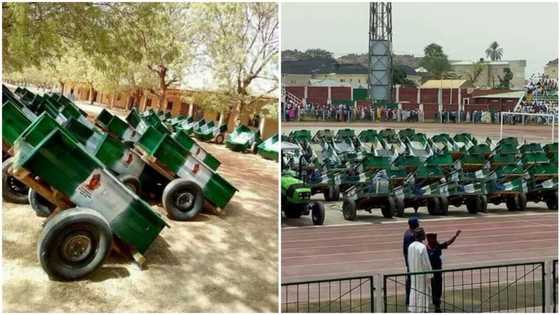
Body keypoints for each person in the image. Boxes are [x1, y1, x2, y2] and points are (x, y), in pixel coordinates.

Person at [426, 230, 461, 313]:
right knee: (434, 288)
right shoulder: (425, 249)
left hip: (438, 271)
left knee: (439, 288)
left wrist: (455, 236)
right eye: (433, 238)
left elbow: (448, 243)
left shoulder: (437, 246)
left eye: (435, 238)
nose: (435, 239)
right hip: (431, 272)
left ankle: (437, 304)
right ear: (429, 239)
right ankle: (435, 304)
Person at [407, 227, 433, 313]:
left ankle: (413, 309)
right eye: (423, 233)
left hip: (413, 273)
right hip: (422, 275)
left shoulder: (410, 246)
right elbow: (426, 263)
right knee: (422, 292)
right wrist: (430, 275)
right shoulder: (422, 247)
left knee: (414, 290)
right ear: (421, 236)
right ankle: (421, 310)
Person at [403, 217, 420, 306]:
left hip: (410, 260)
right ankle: (409, 299)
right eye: (417, 223)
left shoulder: (407, 232)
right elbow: (410, 250)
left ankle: (409, 299)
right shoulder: (411, 235)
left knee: (410, 279)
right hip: (412, 261)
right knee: (411, 280)